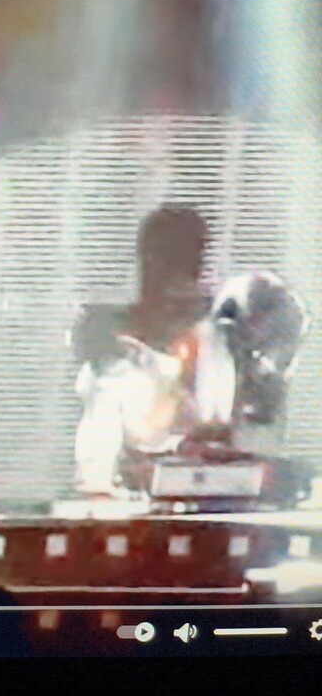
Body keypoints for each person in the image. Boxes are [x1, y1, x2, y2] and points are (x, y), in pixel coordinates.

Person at [72, 206, 236, 496]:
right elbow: (101, 446)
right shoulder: (114, 350)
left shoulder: (216, 338)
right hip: (132, 498)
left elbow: (220, 429)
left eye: (195, 258)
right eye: (168, 257)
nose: (189, 271)